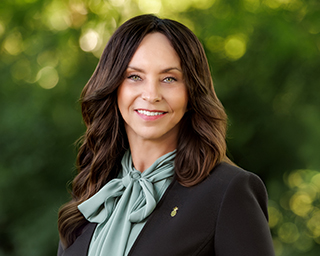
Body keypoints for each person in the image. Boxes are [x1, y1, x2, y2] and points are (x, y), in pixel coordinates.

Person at [57, 14, 275, 256]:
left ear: (191, 91)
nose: (151, 95)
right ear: (113, 86)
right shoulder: (94, 193)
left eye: (169, 78)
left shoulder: (228, 191)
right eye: (134, 77)